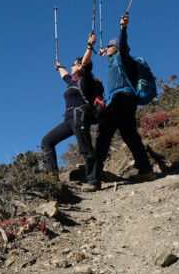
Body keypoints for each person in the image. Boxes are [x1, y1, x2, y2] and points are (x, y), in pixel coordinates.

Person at [95, 12, 154, 182]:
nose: (106, 48)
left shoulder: (123, 58)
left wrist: (123, 28)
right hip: (127, 101)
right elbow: (109, 57)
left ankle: (94, 177)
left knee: (104, 133)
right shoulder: (113, 61)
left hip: (121, 98)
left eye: (109, 46)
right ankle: (145, 170)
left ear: (117, 47)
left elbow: (123, 43)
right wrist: (102, 51)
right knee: (130, 136)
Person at [41, 32, 100, 191]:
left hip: (80, 116)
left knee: (85, 148)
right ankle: (52, 179)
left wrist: (89, 46)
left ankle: (93, 182)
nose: (72, 66)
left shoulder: (86, 80)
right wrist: (60, 67)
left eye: (74, 64)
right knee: (47, 141)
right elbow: (65, 76)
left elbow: (87, 63)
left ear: (80, 67)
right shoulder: (72, 82)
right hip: (69, 119)